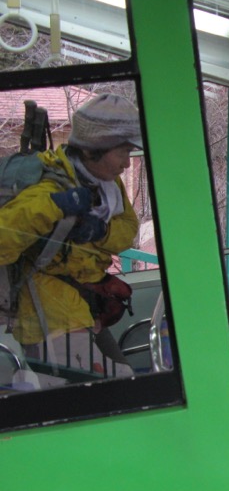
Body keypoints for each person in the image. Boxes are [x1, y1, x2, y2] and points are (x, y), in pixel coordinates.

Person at [0, 93, 141, 373]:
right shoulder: (51, 187)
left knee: (125, 377)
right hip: (49, 314)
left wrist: (100, 231)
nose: (127, 163)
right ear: (92, 150)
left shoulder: (108, 186)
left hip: (85, 302)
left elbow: (129, 229)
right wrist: (54, 207)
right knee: (113, 387)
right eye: (123, 152)